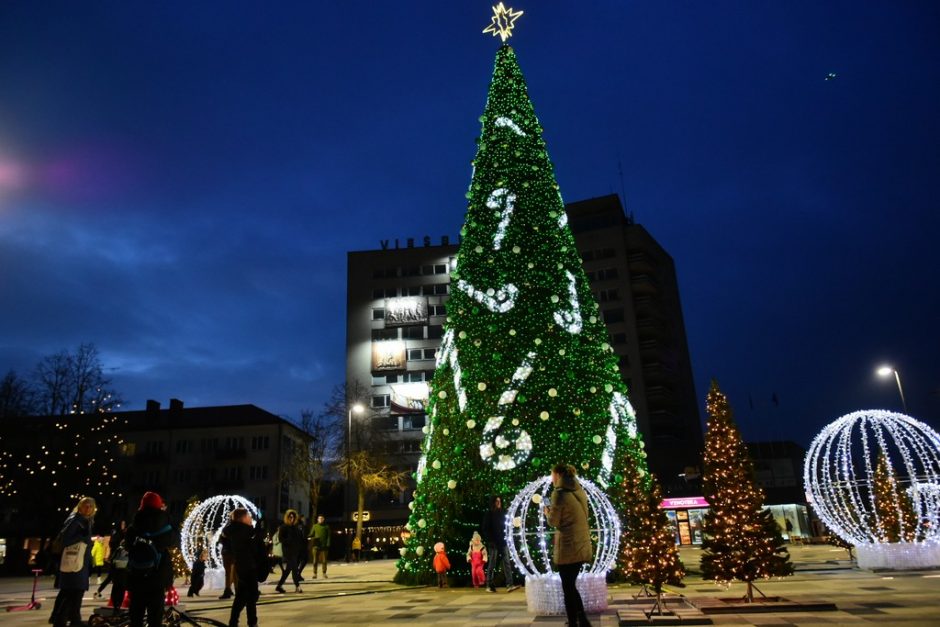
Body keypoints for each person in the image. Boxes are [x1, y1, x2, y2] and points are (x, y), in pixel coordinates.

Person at [545, 463, 593, 627]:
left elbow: (553, 522)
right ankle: (580, 619)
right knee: (570, 585)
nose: (552, 478)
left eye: (552, 475)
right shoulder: (579, 491)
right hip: (581, 544)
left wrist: (547, 512)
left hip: (568, 546)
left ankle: (576, 621)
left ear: (558, 475)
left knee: (568, 586)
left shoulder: (558, 494)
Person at [125, 491, 179, 627]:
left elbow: (127, 545)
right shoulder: (165, 521)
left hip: (137, 574)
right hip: (158, 574)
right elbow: (173, 541)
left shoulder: (136, 521)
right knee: (155, 616)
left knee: (136, 614)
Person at [49, 496, 96, 627]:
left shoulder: (85, 521)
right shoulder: (76, 521)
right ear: (80, 507)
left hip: (79, 562)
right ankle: (69, 620)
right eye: (86, 505)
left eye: (91, 506)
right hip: (74, 563)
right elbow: (66, 540)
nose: (88, 508)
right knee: (73, 593)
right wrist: (83, 538)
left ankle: (67, 619)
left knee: (71, 593)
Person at [222, 508, 265, 627]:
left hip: (242, 566)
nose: (250, 518)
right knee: (251, 596)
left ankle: (234, 622)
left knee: (242, 596)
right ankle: (252, 623)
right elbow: (254, 548)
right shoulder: (244, 531)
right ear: (242, 518)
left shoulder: (235, 530)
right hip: (248, 567)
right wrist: (258, 533)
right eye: (248, 516)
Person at [481, 495, 515, 592]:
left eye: (499, 501)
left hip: (503, 541)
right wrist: (490, 540)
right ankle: (489, 584)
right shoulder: (489, 514)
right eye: (497, 501)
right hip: (493, 542)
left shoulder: (503, 512)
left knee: (507, 562)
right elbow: (485, 528)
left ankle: (510, 584)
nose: (499, 503)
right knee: (492, 562)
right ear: (493, 503)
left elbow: (507, 525)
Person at [95, 520, 127, 599]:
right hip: (117, 559)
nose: (123, 525)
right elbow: (113, 545)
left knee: (113, 577)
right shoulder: (118, 534)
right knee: (113, 577)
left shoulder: (118, 534)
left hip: (119, 559)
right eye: (122, 524)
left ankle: (99, 592)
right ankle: (99, 592)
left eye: (124, 524)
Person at [274, 509, 304, 593]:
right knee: (295, 568)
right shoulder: (283, 527)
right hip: (288, 551)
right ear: (287, 517)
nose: (292, 519)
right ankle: (297, 586)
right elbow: (280, 539)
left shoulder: (295, 527)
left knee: (288, 570)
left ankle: (279, 586)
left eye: (293, 517)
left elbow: (299, 539)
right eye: (290, 517)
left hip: (295, 551)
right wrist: (288, 540)